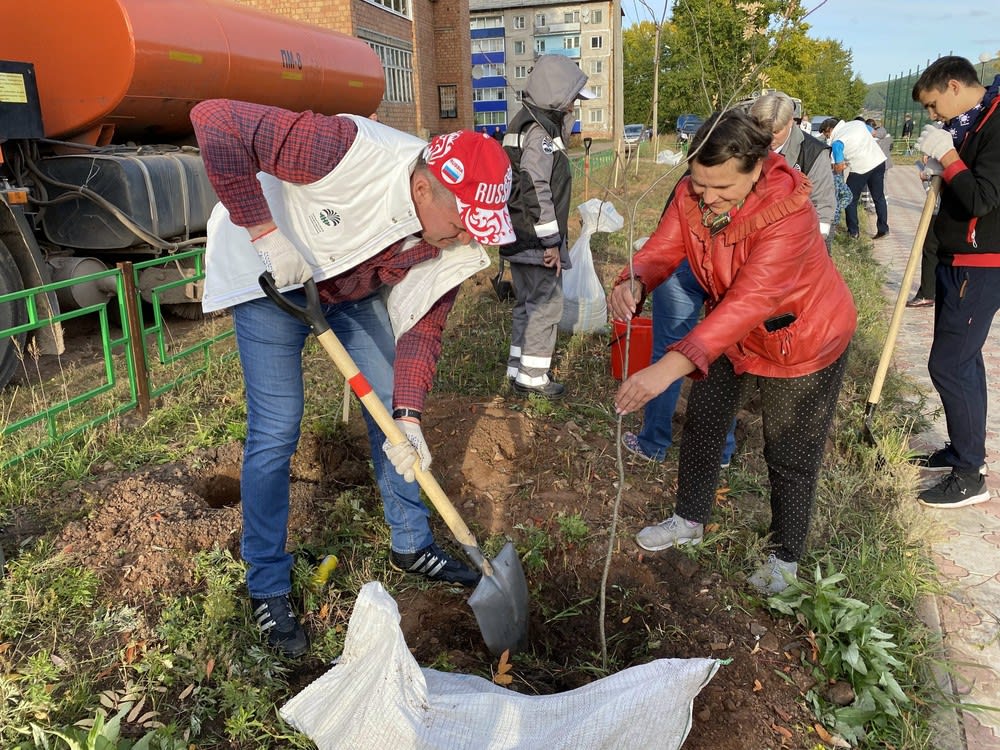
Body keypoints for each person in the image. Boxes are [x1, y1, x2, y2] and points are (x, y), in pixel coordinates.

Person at [190, 99, 515, 657]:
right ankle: (266, 583)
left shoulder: (447, 237)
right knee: (277, 426)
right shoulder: (343, 150)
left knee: (390, 408)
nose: (468, 238)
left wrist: (409, 418)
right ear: (423, 190)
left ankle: (412, 544)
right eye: (463, 223)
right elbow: (214, 120)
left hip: (348, 285)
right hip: (268, 273)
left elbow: (423, 329)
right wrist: (265, 233)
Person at [609, 109, 857, 594]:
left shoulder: (789, 213)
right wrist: (636, 278)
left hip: (801, 339)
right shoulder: (693, 192)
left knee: (789, 450)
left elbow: (751, 301)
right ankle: (689, 519)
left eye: (721, 188)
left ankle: (785, 559)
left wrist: (665, 370)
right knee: (704, 422)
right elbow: (664, 246)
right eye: (700, 185)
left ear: (756, 167)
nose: (707, 197)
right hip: (733, 333)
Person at [908, 56, 1000, 507]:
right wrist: (942, 170)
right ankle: (964, 450)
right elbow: (964, 187)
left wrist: (948, 157)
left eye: (932, 105)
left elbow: (982, 198)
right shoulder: (972, 122)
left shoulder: (996, 123)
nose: (932, 114)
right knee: (965, 363)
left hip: (979, 264)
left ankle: (969, 476)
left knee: (948, 365)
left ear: (953, 86)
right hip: (956, 258)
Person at [500, 54, 596, 398]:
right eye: (571, 99)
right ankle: (533, 377)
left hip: (517, 235)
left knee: (526, 304)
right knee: (546, 306)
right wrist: (552, 241)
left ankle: (517, 368)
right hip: (536, 241)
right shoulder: (540, 132)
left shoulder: (522, 122)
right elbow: (535, 185)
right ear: (556, 94)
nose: (573, 107)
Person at [751, 92, 837, 249]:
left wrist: (813, 243)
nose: (769, 139)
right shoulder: (747, 143)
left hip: (799, 235)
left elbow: (822, 204)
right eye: (762, 131)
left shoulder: (813, 153)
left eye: (776, 132)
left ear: (791, 121)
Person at [820, 117, 890, 240]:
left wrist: (838, 166)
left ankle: (853, 232)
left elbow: (839, 167)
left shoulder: (837, 142)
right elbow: (874, 133)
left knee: (850, 199)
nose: (827, 137)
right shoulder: (857, 123)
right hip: (878, 161)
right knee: (879, 197)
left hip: (860, 168)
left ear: (829, 129)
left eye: (826, 134)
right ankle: (883, 229)